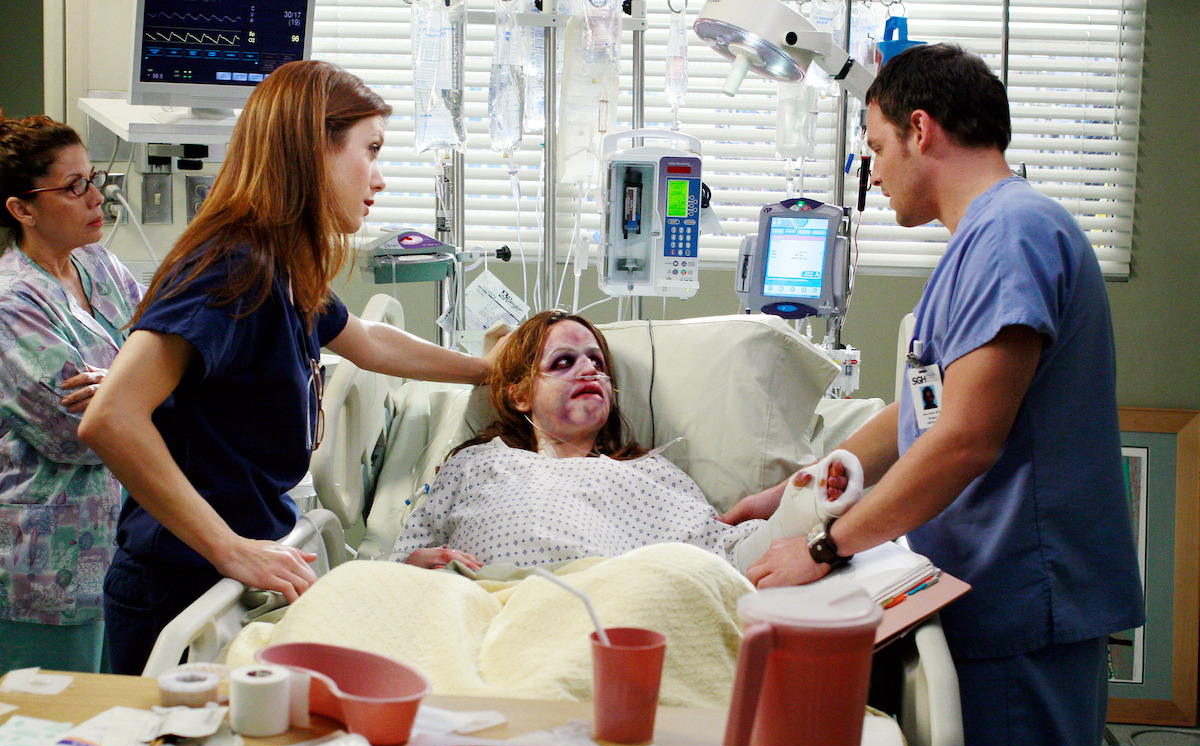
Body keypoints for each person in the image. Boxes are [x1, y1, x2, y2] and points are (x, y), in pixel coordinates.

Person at [721, 44, 1144, 746]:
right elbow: (922, 407)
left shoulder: (1013, 236)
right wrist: (804, 485)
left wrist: (825, 544)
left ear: (921, 129)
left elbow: (967, 437)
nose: (873, 174)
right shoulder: (986, 238)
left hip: (1022, 599)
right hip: (984, 592)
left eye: (877, 149)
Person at [78, 61, 492, 676]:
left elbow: (370, 342)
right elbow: (110, 419)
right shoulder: (230, 267)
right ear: (312, 151)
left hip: (240, 570)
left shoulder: (282, 266)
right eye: (369, 151)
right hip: (180, 584)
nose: (377, 178)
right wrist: (232, 550)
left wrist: (488, 371)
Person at [390, 309, 857, 571]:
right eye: (562, 363)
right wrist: (414, 568)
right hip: (486, 604)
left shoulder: (647, 473)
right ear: (518, 395)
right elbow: (398, 559)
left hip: (608, 615)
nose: (589, 369)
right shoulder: (474, 465)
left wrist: (795, 514)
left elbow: (723, 555)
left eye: (596, 362)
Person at [0, 114, 144, 673]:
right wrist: (135, 389)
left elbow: (164, 357)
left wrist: (118, 388)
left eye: (94, 177)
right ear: (23, 209)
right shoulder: (14, 304)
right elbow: (78, 433)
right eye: (74, 186)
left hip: (113, 548)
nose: (96, 197)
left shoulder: (99, 266)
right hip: (43, 567)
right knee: (46, 735)